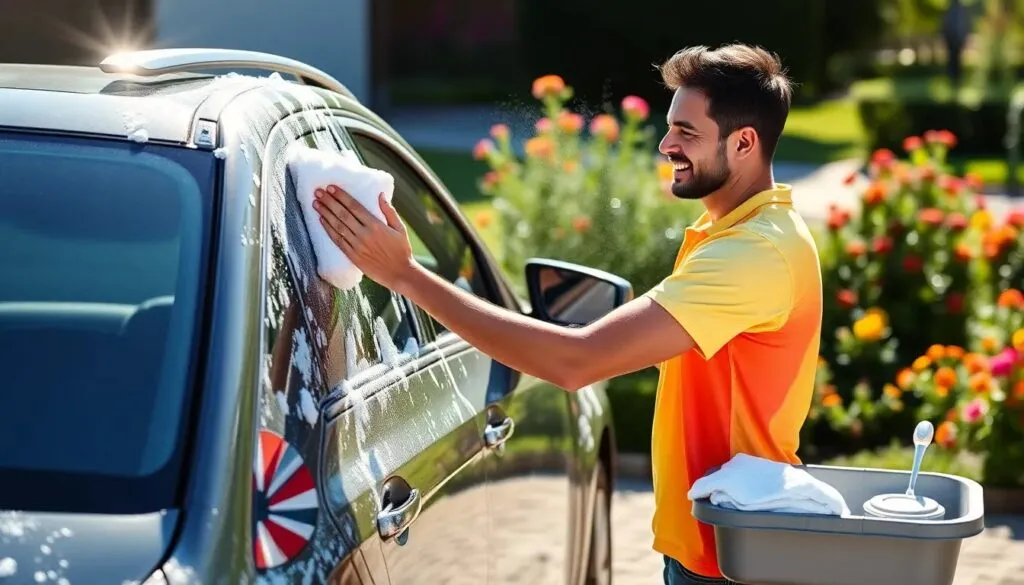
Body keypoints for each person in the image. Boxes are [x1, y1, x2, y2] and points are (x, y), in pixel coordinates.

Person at [312, 43, 823, 585]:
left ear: (744, 142)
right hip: (719, 541)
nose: (667, 145)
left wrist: (403, 276)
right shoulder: (744, 235)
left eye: (687, 133)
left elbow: (576, 362)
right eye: (670, 127)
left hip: (727, 557)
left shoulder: (751, 255)